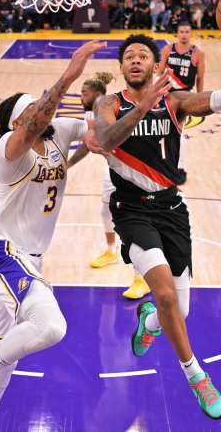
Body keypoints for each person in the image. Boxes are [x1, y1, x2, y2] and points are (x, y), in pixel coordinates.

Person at [91, 7, 221, 420]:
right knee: (168, 295)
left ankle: (149, 322)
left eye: (143, 55)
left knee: (178, 310)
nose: (136, 59)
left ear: (156, 65)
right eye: (129, 56)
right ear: (122, 67)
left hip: (173, 209)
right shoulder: (108, 104)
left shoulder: (175, 101)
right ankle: (197, 378)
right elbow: (104, 137)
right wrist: (139, 110)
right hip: (132, 211)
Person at [0, 40, 106, 432]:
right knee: (51, 326)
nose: (42, 110)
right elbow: (38, 119)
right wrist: (70, 74)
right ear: (19, 122)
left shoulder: (59, 133)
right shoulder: (9, 150)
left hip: (31, 258)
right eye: (33, 110)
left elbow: (100, 129)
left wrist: (135, 105)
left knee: (7, 353)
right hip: (2, 252)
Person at [68, 72, 151, 299]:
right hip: (113, 167)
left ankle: (141, 277)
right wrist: (69, 163)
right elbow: (88, 143)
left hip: (134, 170)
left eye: (83, 92)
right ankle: (111, 251)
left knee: (134, 222)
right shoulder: (90, 112)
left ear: (96, 94)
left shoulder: (111, 107)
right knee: (106, 211)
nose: (79, 96)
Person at [159, 21, 207, 185]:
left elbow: (200, 78)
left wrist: (200, 100)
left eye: (187, 31)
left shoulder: (198, 53)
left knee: (178, 132)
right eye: (182, 31)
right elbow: (159, 73)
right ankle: (165, 165)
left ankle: (180, 168)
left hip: (185, 97)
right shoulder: (167, 50)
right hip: (167, 95)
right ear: (177, 34)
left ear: (191, 34)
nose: (184, 34)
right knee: (164, 132)